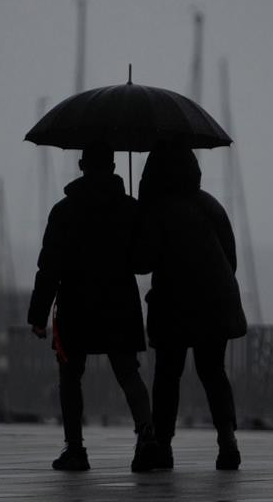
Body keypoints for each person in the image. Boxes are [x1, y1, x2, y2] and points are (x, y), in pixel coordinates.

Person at [28, 142, 157, 472]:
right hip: (119, 304)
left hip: (76, 305)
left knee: (70, 375)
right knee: (128, 373)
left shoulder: (64, 211)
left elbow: (49, 267)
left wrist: (38, 315)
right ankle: (146, 435)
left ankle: (75, 449)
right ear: (114, 168)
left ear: (82, 166)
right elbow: (143, 263)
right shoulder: (130, 209)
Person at [134, 142, 247, 470]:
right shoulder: (211, 206)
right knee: (213, 372)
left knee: (167, 375)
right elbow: (231, 260)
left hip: (174, 307)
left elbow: (141, 262)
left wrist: (140, 209)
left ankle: (163, 446)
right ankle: (228, 441)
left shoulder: (158, 210)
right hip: (216, 304)